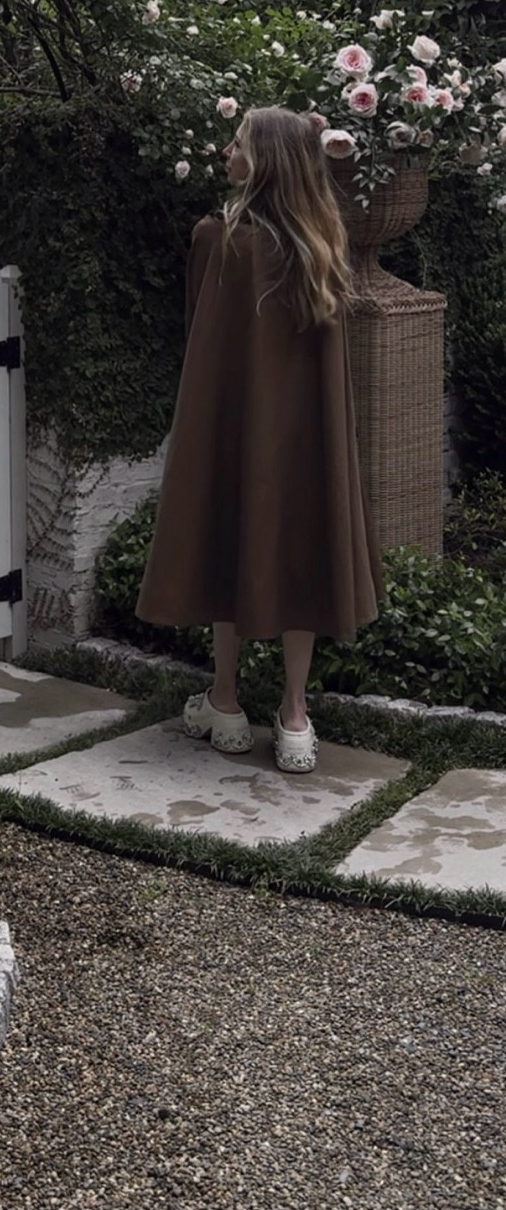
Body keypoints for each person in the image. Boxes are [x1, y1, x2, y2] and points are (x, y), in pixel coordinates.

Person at [135, 106, 382, 773]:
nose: (224, 150)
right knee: (301, 550)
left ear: (263, 161)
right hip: (306, 442)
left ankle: (225, 702)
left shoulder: (220, 240)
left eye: (237, 143)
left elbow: (201, 336)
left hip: (234, 426)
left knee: (229, 538)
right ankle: (295, 716)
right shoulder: (324, 247)